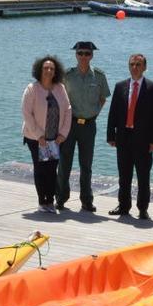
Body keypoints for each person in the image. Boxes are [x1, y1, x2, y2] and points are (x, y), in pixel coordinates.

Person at [56, 41, 110, 212]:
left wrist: (93, 114)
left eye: (87, 53)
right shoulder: (67, 75)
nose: (84, 56)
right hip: (69, 125)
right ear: (76, 55)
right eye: (80, 53)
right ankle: (61, 198)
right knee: (65, 163)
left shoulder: (99, 76)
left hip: (88, 125)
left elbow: (103, 98)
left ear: (92, 55)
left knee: (86, 165)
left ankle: (86, 200)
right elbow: (59, 99)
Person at [106, 54, 153, 220]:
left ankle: (142, 209)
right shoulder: (120, 86)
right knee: (124, 175)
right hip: (123, 137)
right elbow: (113, 112)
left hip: (144, 139)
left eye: (138, 64)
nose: (135, 67)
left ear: (144, 67)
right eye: (132, 64)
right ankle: (123, 206)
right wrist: (111, 134)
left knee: (143, 176)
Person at [22, 56, 72, 213]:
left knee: (52, 169)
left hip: (55, 139)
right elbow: (26, 113)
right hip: (36, 138)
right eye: (45, 68)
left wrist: (63, 133)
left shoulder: (60, 88)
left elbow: (68, 110)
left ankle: (50, 201)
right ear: (39, 70)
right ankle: (42, 201)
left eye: (51, 68)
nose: (49, 71)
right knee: (40, 169)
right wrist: (39, 135)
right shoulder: (32, 89)